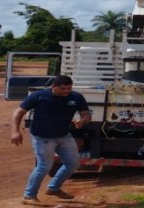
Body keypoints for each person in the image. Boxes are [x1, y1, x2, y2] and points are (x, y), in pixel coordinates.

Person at [11, 75, 91, 205]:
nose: (66, 91)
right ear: (53, 86)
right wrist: (15, 131)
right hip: (42, 137)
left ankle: (53, 188)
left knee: (73, 164)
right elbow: (18, 112)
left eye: (69, 88)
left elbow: (86, 115)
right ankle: (28, 196)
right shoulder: (39, 96)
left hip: (64, 135)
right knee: (44, 166)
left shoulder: (76, 97)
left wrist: (82, 121)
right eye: (63, 89)